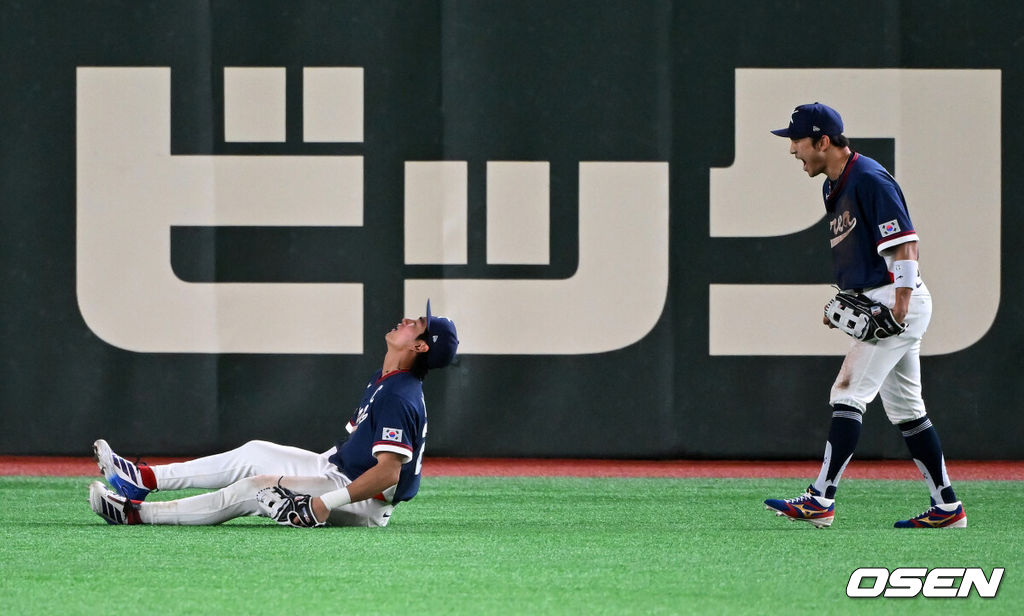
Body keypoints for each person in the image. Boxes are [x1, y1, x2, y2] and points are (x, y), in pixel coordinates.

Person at [762, 103, 966, 529]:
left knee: (848, 393)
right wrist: (845, 300)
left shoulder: (869, 178)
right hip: (880, 297)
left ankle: (821, 498)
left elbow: (906, 244)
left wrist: (901, 304)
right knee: (909, 411)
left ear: (823, 141)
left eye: (797, 141)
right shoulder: (832, 186)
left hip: (896, 300)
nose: (792, 150)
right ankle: (947, 506)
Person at [88, 300, 458, 528]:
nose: (408, 320)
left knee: (255, 488)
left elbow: (390, 473)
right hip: (338, 470)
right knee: (253, 453)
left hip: (363, 501)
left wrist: (323, 502)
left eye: (418, 325)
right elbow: (357, 442)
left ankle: (136, 515)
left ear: (421, 346)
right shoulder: (387, 378)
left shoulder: (399, 393)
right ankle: (142, 479)